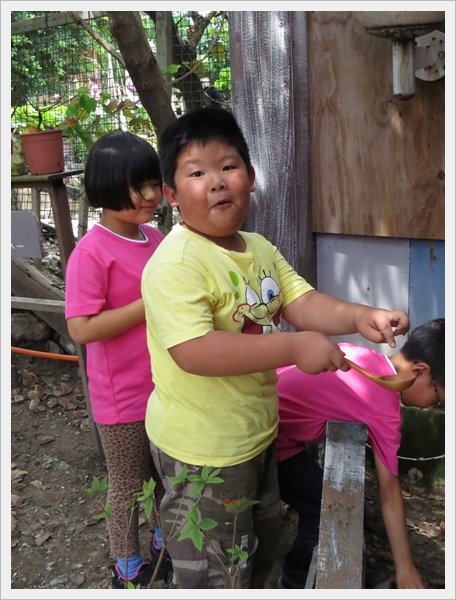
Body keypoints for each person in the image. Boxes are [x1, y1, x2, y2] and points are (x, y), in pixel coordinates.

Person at [141, 106, 409, 589]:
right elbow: (194, 351)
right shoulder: (175, 263)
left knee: (257, 549)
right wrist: (292, 349)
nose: (217, 182)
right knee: (214, 572)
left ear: (251, 177)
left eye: (228, 166)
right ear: (173, 196)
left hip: (257, 438)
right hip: (202, 452)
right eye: (197, 173)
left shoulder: (258, 248)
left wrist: (357, 316)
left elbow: (301, 300)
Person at [65, 131, 171, 589]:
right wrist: (148, 302)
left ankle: (166, 546)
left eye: (154, 183)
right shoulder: (91, 253)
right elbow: (81, 328)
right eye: (138, 187)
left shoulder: (157, 237)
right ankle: (127, 567)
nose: (151, 196)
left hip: (167, 386)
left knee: (167, 479)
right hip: (121, 397)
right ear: (108, 188)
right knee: (128, 485)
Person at [276, 318, 445, 590]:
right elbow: (389, 493)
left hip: (262, 417)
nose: (432, 409)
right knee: (322, 508)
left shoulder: (364, 356)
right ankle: (293, 584)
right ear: (420, 371)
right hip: (269, 440)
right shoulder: (385, 409)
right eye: (438, 400)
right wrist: (406, 568)